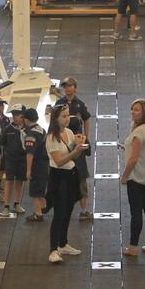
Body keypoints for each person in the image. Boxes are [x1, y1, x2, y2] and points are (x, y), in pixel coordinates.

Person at [45, 103, 87, 264]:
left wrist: (77, 147)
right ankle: (52, 249)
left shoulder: (69, 132)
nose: (67, 118)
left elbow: (72, 157)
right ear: (55, 119)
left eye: (68, 115)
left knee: (68, 210)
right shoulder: (51, 137)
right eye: (63, 116)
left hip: (71, 174)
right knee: (59, 213)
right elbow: (59, 161)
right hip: (58, 176)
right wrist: (76, 150)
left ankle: (63, 243)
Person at [120, 99, 145, 257]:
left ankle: (133, 247)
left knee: (136, 212)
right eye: (132, 109)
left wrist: (125, 176)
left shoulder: (138, 133)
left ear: (144, 113)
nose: (132, 112)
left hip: (137, 177)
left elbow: (134, 159)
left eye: (136, 110)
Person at [58, 78, 94, 222]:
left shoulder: (80, 104)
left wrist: (86, 136)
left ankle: (84, 211)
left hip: (77, 144)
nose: (67, 89)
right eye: (65, 86)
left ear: (75, 88)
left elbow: (86, 119)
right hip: (63, 144)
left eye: (70, 86)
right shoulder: (59, 104)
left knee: (81, 177)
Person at [22, 108, 49, 222]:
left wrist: (28, 170)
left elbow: (30, 153)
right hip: (45, 163)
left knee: (36, 191)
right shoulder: (41, 129)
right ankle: (43, 208)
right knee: (41, 188)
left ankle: (38, 214)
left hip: (37, 165)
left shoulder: (31, 134)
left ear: (26, 120)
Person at [0, 106, 27, 215]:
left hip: (23, 158)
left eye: (17, 115)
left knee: (20, 181)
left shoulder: (28, 129)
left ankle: (17, 203)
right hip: (11, 159)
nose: (14, 117)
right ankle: (6, 205)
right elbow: (2, 142)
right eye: (13, 115)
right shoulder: (8, 129)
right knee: (9, 181)